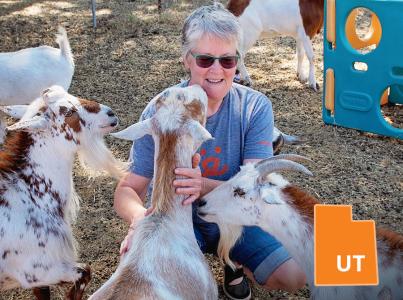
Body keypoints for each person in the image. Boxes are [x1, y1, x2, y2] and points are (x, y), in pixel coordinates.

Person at [114, 3, 306, 300]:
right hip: (172, 219)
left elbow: (255, 188)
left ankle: (233, 260)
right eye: (205, 59)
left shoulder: (255, 107)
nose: (216, 70)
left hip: (232, 216)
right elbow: (128, 188)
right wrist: (141, 220)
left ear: (237, 61)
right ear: (186, 60)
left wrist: (201, 185)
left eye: (227, 60)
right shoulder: (162, 109)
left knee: (293, 275)